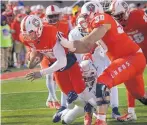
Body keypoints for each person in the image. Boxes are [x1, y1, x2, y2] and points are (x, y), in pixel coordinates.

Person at [57, 2, 147, 125]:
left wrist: (68, 44)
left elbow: (88, 42)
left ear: (94, 13)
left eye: (85, 15)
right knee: (140, 95)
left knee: (103, 81)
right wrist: (67, 48)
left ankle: (101, 120)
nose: (83, 18)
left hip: (131, 58)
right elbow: (87, 48)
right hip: (129, 59)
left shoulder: (102, 19)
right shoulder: (98, 24)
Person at [20, 15, 97, 123]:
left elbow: (62, 62)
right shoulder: (28, 38)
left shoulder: (50, 34)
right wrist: (32, 60)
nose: (28, 36)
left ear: (38, 29)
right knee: (70, 95)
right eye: (26, 34)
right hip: (56, 66)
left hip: (68, 62)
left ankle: (99, 114)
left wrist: (41, 73)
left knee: (81, 90)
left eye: (30, 32)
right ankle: (82, 109)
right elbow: (36, 50)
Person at [109, 0, 147, 121]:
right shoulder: (114, 24)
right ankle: (131, 112)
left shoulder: (138, 15)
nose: (119, 18)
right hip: (134, 55)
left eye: (120, 15)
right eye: (116, 16)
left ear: (127, 11)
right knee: (130, 79)